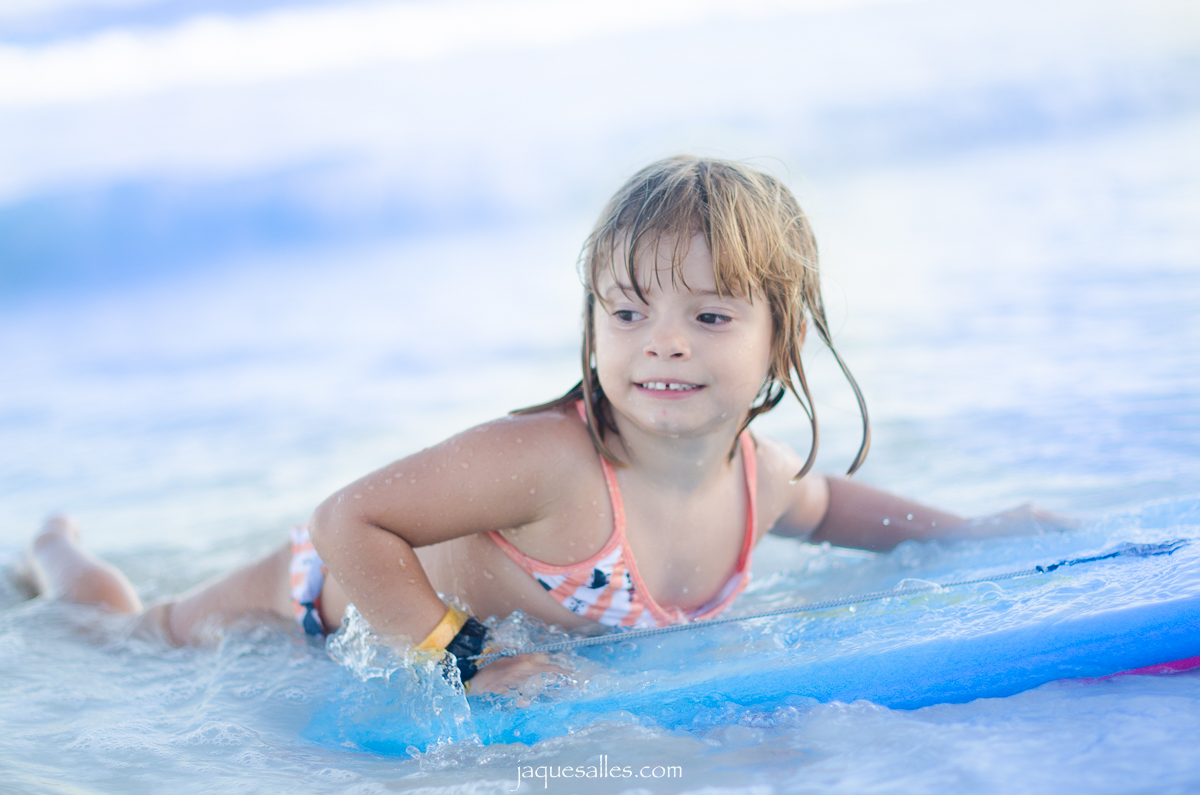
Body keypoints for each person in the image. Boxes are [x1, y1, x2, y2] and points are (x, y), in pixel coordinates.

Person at [19, 156, 1063, 695]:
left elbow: (835, 508)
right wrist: (462, 657)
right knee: (121, 635)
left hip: (376, 602)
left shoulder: (758, 479)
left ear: (780, 341)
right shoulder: (556, 463)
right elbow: (346, 521)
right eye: (627, 312)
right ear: (592, 326)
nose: (661, 343)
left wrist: (966, 534)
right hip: (313, 603)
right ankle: (55, 549)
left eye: (708, 316)